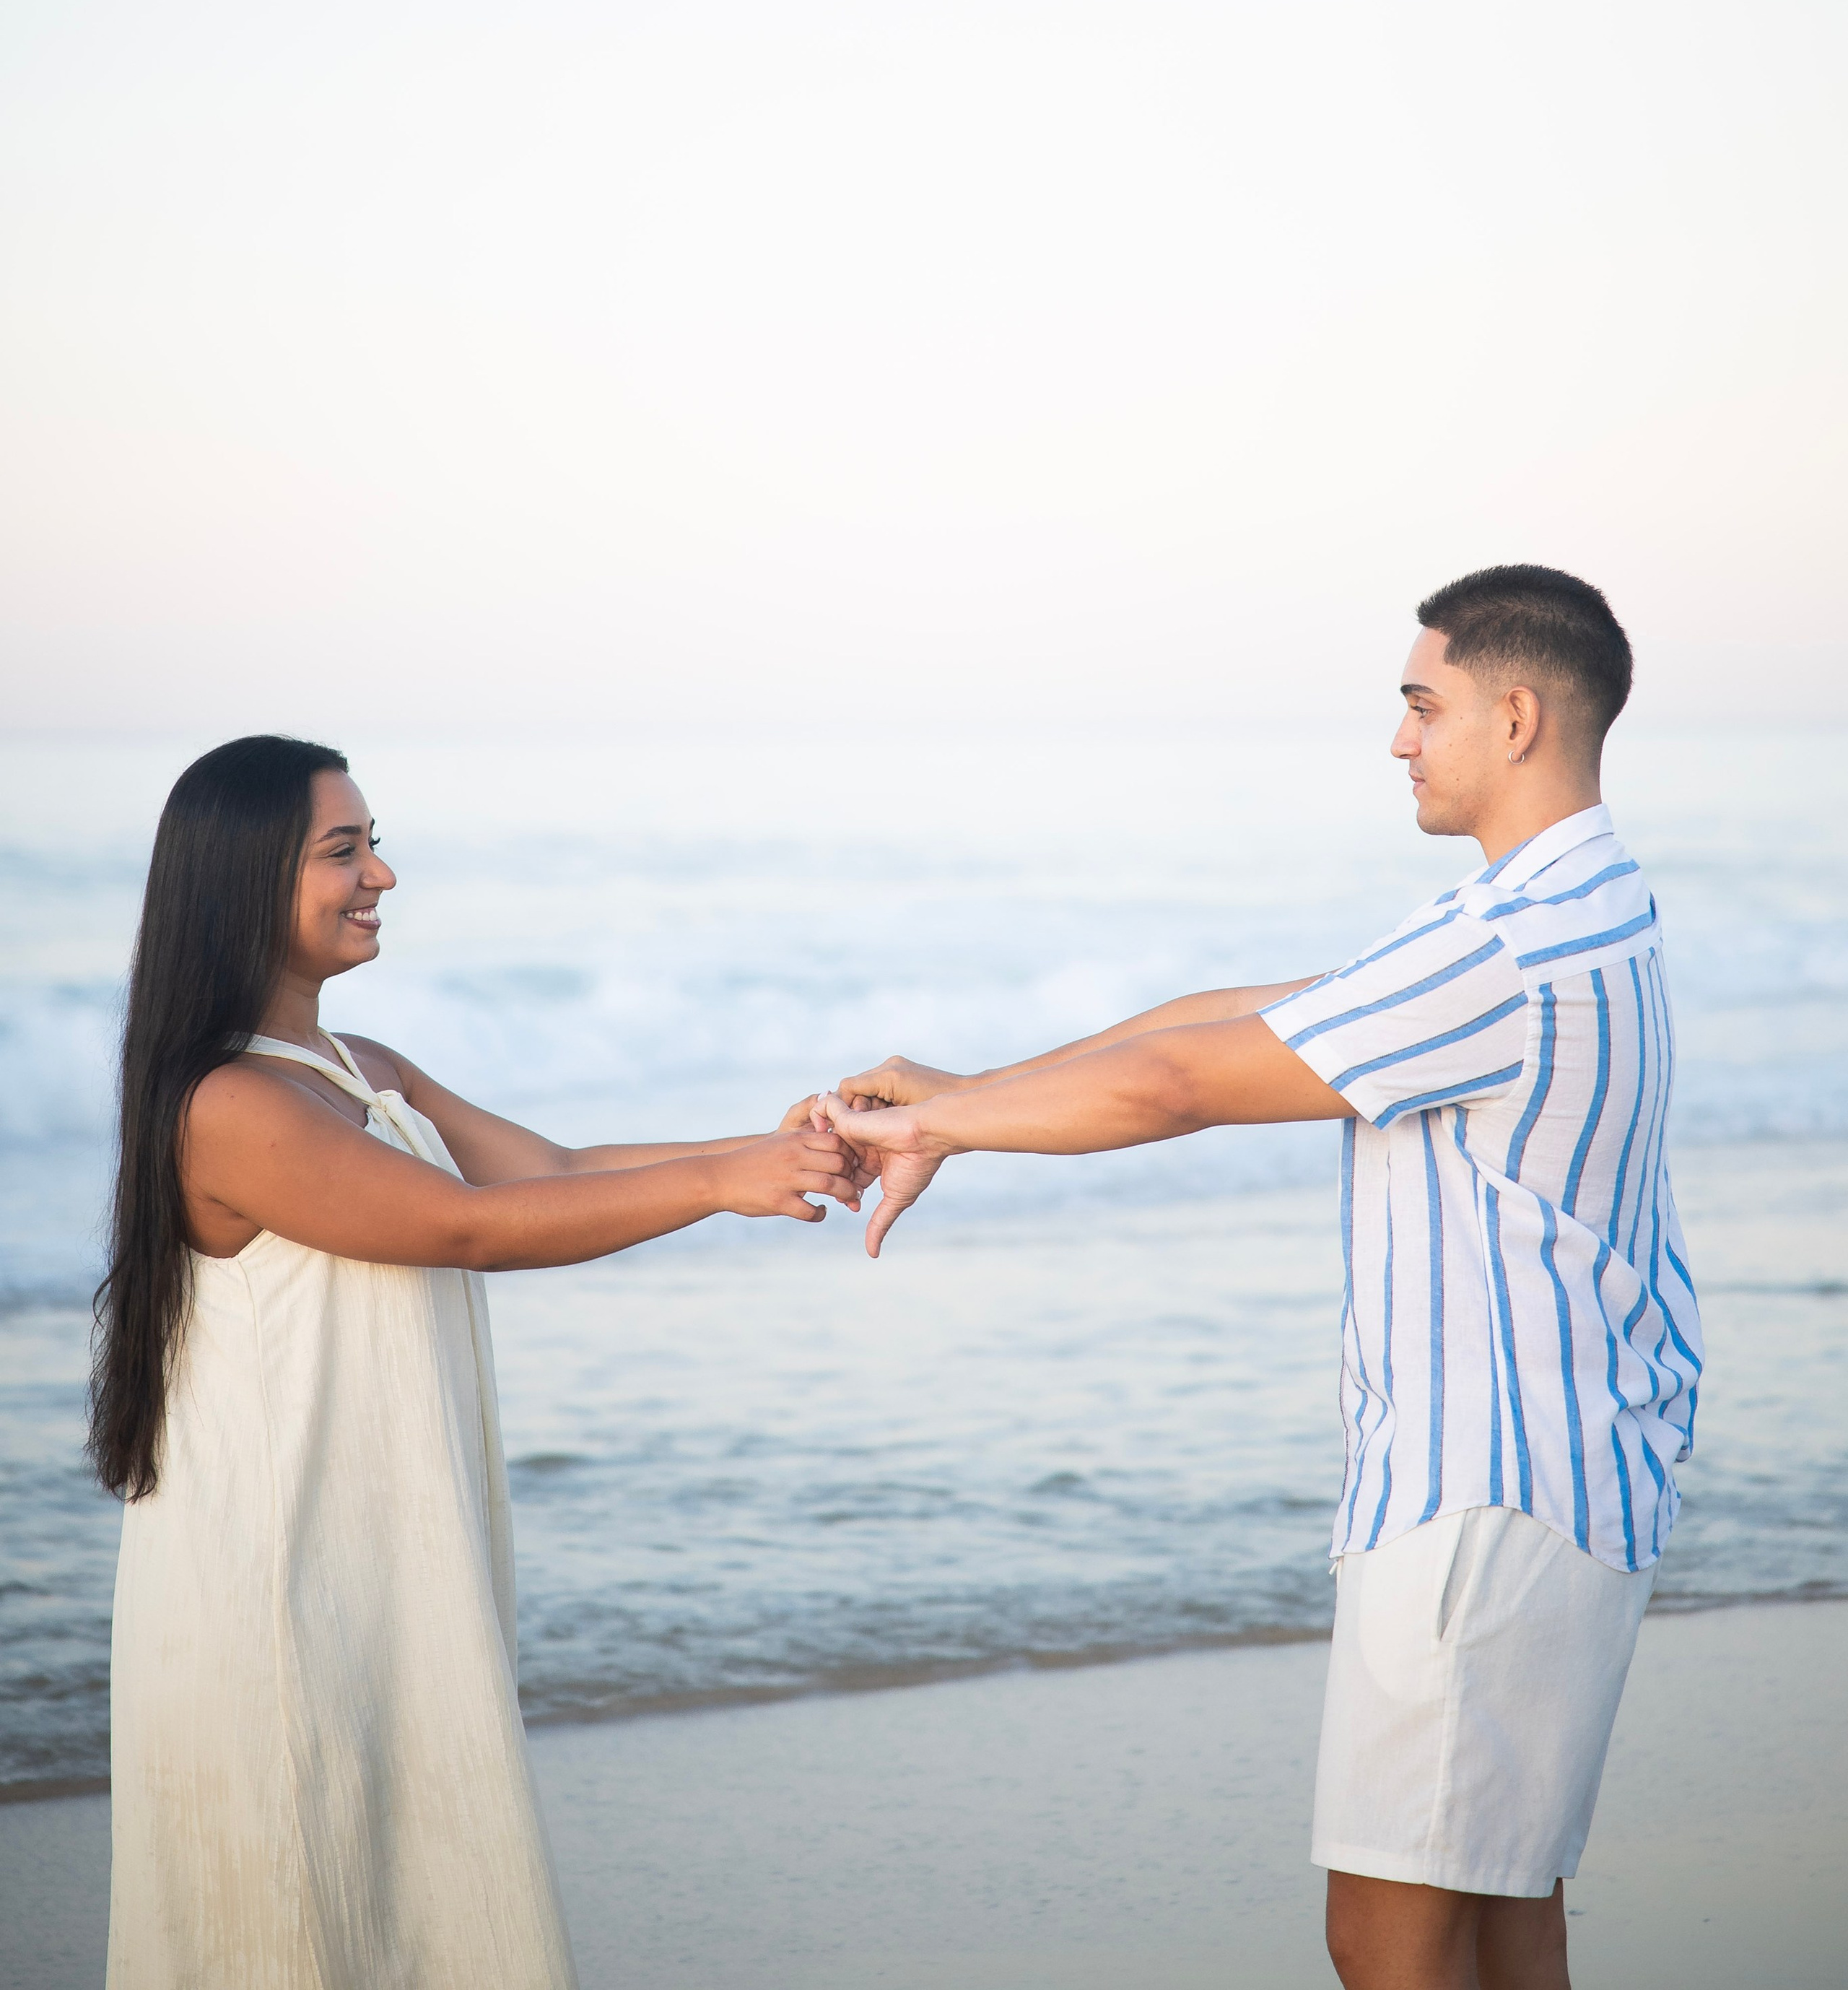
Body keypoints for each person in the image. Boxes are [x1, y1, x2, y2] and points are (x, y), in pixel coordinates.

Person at [810, 565, 1701, 1990]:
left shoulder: (1504, 944)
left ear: (1515, 714)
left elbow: (1175, 1084)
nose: (1398, 739)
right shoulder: (1572, 904)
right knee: (1502, 1917)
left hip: (1481, 1497)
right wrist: (967, 1090)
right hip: (1569, 1477)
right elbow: (1237, 1019)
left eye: (1421, 705)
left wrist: (932, 1124)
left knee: (1390, 1935)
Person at [91, 734, 859, 1990]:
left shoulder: (362, 1072)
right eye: (344, 849)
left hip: (382, 1571)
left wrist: (765, 1151)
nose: (381, 874)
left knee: (412, 1905)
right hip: (282, 1597)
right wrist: (724, 1183)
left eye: (373, 842)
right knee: (295, 1910)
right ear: (243, 879)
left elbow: (546, 1172)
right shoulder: (229, 1105)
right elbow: (467, 1227)